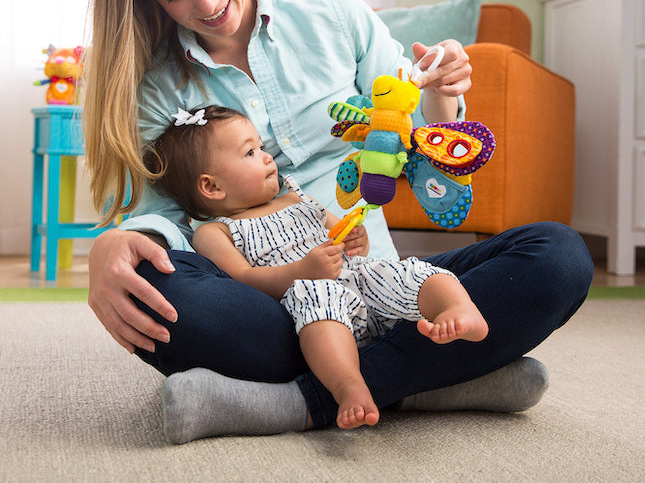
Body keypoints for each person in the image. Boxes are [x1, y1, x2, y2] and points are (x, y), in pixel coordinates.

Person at [83, 0, 594, 444]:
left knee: (559, 257)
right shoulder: (155, 86)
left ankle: (302, 402)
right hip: (277, 303)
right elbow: (169, 220)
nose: (206, 2)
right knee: (161, 295)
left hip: (386, 283)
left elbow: (411, 136)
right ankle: (434, 381)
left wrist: (445, 96)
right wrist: (123, 243)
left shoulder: (334, 15)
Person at [143, 105, 490, 430]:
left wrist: (356, 239)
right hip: (311, 296)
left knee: (403, 271)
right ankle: (348, 385)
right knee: (317, 303)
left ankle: (457, 308)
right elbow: (243, 280)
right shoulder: (214, 232)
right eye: (250, 152)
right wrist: (301, 271)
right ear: (211, 186)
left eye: (261, 147)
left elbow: (342, 232)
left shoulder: (294, 196)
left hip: (360, 278)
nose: (267, 157)